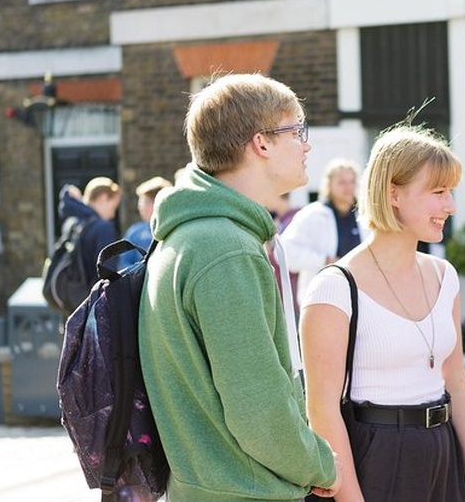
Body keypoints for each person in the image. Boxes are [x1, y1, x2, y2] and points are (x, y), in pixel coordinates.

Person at [138, 73, 341, 502]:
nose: (307, 144)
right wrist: (322, 465)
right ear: (261, 143)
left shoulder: (190, 236)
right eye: (297, 129)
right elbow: (259, 412)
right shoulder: (225, 250)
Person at [300, 123, 465, 501]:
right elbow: (321, 410)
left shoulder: (443, 275)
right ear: (393, 194)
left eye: (450, 192)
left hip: (442, 450)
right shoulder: (335, 287)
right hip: (375, 458)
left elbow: (456, 381)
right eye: (438, 192)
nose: (450, 205)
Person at [283, 158, 369, 300]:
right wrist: (324, 260)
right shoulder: (312, 214)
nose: (348, 187)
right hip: (322, 296)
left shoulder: (365, 216)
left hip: (359, 295)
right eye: (342, 182)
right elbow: (287, 251)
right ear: (328, 184)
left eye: (352, 182)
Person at [56, 176, 121, 288]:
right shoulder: (103, 228)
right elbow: (108, 274)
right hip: (93, 300)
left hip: (72, 297)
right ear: (103, 198)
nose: (113, 215)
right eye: (113, 207)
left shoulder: (72, 222)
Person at [123, 175, 172, 251]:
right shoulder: (135, 233)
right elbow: (125, 261)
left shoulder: (174, 231)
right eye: (140, 203)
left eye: (146, 202)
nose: (140, 207)